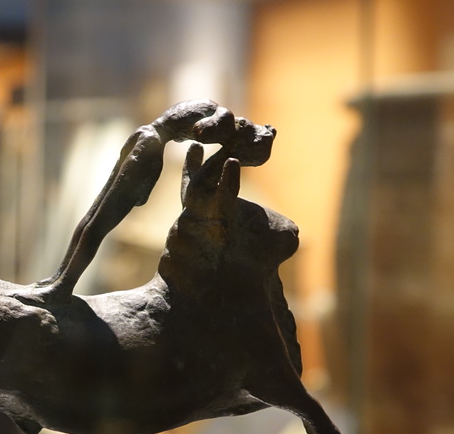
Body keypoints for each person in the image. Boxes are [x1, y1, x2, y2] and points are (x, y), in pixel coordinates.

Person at [32, 99, 276, 301]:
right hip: (151, 144)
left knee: (93, 217)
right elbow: (202, 131)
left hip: (147, 136)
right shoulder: (224, 119)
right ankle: (62, 284)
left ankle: (60, 278)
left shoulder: (218, 112)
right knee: (99, 223)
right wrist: (226, 148)